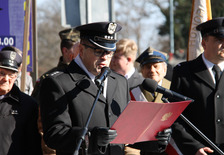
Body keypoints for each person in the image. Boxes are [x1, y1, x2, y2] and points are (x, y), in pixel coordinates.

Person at [39, 22, 171, 155]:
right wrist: (90, 138)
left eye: (109, 52)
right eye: (98, 51)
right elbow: (53, 134)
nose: (104, 58)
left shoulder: (119, 81)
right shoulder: (58, 82)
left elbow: (126, 132)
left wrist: (155, 139)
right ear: (81, 49)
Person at [170, 17, 224, 155]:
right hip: (201, 151)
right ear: (204, 43)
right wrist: (193, 147)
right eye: (219, 40)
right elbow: (175, 117)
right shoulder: (184, 72)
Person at [0, 48, 42, 155]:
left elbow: (33, 146)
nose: (6, 79)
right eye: (2, 73)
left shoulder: (28, 105)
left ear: (16, 76)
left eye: (11, 75)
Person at [31, 27, 80, 102]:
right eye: (77, 49)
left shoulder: (85, 75)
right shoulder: (48, 78)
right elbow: (36, 105)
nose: (80, 52)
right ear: (65, 51)